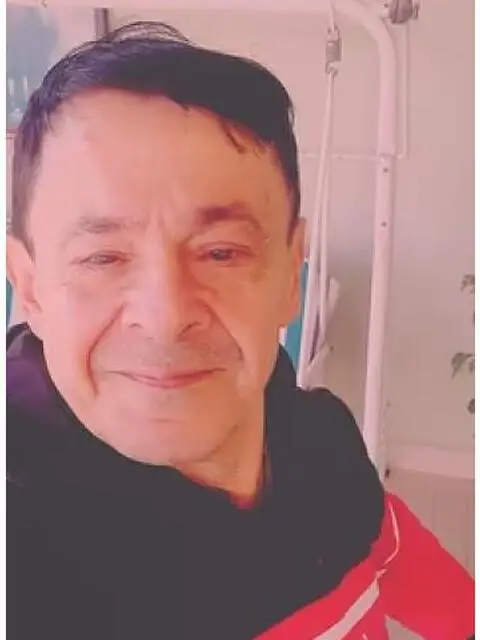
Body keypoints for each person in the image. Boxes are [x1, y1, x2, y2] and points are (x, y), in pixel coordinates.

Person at [7, 21, 474, 640]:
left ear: (290, 273)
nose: (166, 316)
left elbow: (404, 563)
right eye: (103, 258)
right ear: (30, 289)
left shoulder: (320, 440)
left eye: (221, 252)